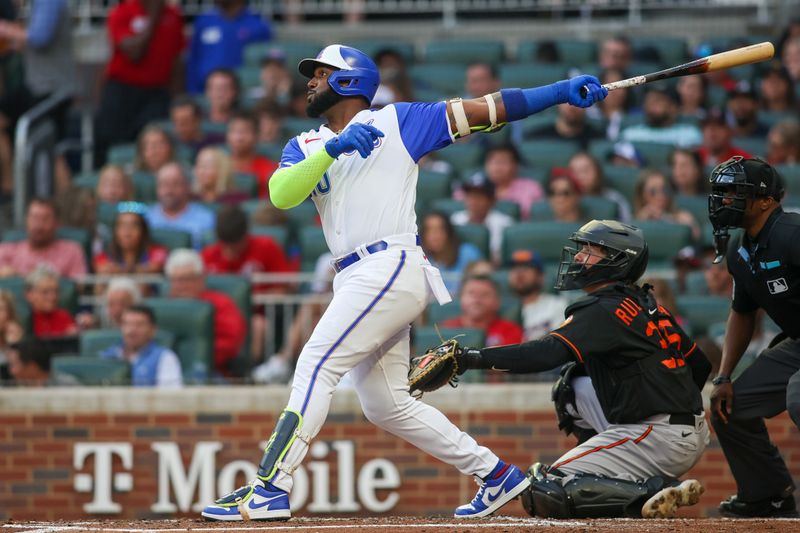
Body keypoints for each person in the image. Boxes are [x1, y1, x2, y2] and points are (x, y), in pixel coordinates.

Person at [200, 43, 609, 521]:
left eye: (321, 73)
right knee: (386, 405)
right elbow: (281, 194)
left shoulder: (398, 121)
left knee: (315, 364)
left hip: (387, 263)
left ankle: (271, 486)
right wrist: (333, 148)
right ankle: (496, 474)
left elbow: (492, 107)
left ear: (349, 81)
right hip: (354, 275)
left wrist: (560, 91)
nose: (309, 81)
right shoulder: (306, 144)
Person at [449, 220, 711, 519]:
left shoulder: (603, 308)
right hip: (686, 426)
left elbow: (544, 354)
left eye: (591, 250)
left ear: (619, 260)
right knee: (572, 385)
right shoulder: (646, 303)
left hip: (657, 433)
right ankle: (616, 471)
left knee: (545, 488)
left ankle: (651, 489)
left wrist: (471, 358)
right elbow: (700, 365)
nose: (579, 257)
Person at [707, 156, 800, 517]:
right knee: (732, 407)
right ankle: (768, 495)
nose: (724, 199)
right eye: (722, 191)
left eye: (734, 191)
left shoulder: (792, 234)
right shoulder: (739, 249)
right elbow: (743, 312)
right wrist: (725, 375)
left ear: (766, 200)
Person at [93, 0, 185, 168]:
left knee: (151, 142)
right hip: (122, 90)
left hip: (157, 93)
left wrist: (177, 99)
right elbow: (134, 53)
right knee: (111, 143)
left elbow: (176, 62)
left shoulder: (173, 16)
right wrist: (153, 19)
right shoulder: (122, 12)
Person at [202, 205, 292, 361]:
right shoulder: (208, 255)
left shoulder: (267, 246)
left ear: (246, 234)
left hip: (257, 315)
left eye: (235, 244)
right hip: (220, 317)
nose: (230, 250)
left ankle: (247, 373)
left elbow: (285, 288)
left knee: (257, 325)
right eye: (226, 244)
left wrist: (251, 297)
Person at [165, 248, 246, 378]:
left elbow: (230, 343)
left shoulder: (221, 304)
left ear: (201, 278)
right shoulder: (165, 306)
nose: (181, 286)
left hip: (213, 372)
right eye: (176, 280)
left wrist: (195, 356)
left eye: (187, 279)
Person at [186, 0, 270, 94]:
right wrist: (192, 91)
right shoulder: (204, 21)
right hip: (203, 92)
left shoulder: (257, 25)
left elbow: (264, 65)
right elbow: (193, 59)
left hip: (242, 93)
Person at [0, 197, 87, 279]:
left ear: (57, 223)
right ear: (26, 221)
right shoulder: (6, 250)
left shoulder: (71, 251)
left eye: (45, 219)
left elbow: (79, 286)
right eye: (35, 218)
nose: (39, 225)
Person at [100, 304, 183, 387]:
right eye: (127, 324)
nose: (131, 331)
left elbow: (170, 396)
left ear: (152, 330)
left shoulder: (165, 357)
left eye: (139, 325)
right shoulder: (107, 356)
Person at [145, 162, 216, 249]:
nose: (169, 190)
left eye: (175, 184)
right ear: (157, 188)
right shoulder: (145, 219)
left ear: (187, 187)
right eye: (164, 184)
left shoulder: (206, 219)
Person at [442, 274, 523, 348]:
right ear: (461, 298)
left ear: (497, 301)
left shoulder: (510, 331)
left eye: (485, 294)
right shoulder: (446, 329)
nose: (477, 298)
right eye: (471, 293)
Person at [451, 173, 514, 264]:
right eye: (470, 195)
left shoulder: (505, 224)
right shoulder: (455, 220)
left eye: (479, 196)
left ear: (492, 200)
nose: (473, 201)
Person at [507, 249, 568, 342]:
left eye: (526, 267)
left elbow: (559, 344)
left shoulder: (557, 305)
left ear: (541, 276)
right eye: (514, 267)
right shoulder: (502, 310)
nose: (519, 272)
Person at [419, 211, 482, 295]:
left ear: (449, 232)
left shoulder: (467, 253)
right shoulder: (418, 257)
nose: (435, 235)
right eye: (429, 230)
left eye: (440, 229)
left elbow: (483, 277)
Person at [94, 203, 168, 274]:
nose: (127, 232)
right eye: (122, 226)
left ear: (143, 231)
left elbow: (155, 267)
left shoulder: (157, 251)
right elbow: (101, 268)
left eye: (134, 226)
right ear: (115, 231)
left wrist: (119, 270)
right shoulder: (104, 255)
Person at [621, 85, 702, 148]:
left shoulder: (689, 135)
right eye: (648, 100)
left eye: (657, 100)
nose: (651, 104)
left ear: (673, 108)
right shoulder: (630, 135)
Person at [633, 169, 700, 240]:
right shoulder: (634, 219)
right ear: (642, 196)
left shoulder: (681, 216)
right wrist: (641, 221)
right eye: (653, 191)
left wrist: (665, 217)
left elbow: (696, 235)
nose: (660, 195)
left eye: (664, 189)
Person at [226, 111, 279, 198]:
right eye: (234, 131)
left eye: (245, 132)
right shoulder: (219, 165)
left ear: (256, 136)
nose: (239, 138)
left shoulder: (269, 169)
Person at [567, 151, 632, 221]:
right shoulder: (561, 198)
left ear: (598, 172)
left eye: (585, 171)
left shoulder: (615, 200)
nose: (580, 176)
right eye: (574, 172)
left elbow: (627, 226)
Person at [25, 265, 77, 337]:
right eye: (45, 292)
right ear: (30, 295)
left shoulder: (64, 317)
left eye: (56, 291)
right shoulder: (23, 320)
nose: (53, 297)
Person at [6, 337, 80, 386]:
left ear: (32, 366)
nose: (11, 371)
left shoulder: (67, 385)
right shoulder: (11, 389)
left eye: (14, 365)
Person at [525, 103, 602, 149]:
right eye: (567, 100)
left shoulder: (597, 140)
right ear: (558, 103)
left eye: (580, 100)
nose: (572, 107)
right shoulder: (537, 138)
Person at [0, 289, 23, 376]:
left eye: (1, 309)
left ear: (10, 313)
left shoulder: (18, 339)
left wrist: (13, 345)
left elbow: (20, 376)